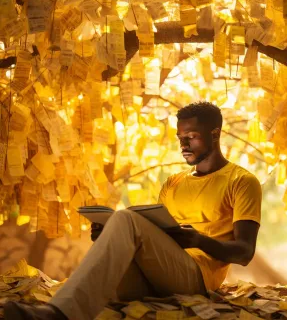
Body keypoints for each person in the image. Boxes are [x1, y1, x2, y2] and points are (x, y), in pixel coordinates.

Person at [4, 101, 262, 320]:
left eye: (191, 137)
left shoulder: (241, 181)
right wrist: (109, 235)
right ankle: (57, 307)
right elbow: (158, 236)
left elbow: (244, 252)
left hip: (197, 277)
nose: (183, 144)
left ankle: (56, 315)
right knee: (115, 238)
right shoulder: (174, 182)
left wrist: (198, 240)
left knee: (126, 217)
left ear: (215, 134)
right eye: (180, 138)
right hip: (158, 275)